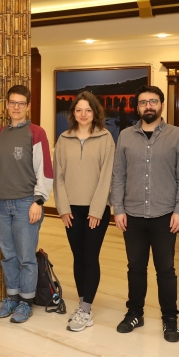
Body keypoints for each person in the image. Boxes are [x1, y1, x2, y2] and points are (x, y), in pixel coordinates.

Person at [111, 85, 179, 342]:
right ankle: (135, 313)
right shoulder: (125, 136)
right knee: (135, 267)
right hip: (132, 214)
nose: (148, 106)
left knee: (165, 269)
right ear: (137, 107)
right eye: (143, 102)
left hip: (165, 215)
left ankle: (170, 318)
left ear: (161, 105)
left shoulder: (178, 136)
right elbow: (118, 175)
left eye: (153, 101)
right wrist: (118, 209)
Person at [0, 84, 53, 324]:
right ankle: (12, 298)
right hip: (1, 204)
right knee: (8, 256)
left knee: (26, 257)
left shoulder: (36, 133)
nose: (16, 107)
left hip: (27, 203)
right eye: (12, 103)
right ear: (6, 105)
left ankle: (26, 302)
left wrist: (39, 201)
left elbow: (45, 170)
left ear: (28, 106)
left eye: (21, 103)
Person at [53, 92, 115, 333]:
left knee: (90, 257)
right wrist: (63, 208)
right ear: (73, 113)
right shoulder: (64, 138)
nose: (83, 114)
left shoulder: (105, 138)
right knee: (78, 257)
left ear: (95, 112)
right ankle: (82, 303)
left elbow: (107, 176)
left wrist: (97, 209)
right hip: (71, 211)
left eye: (88, 110)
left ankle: (86, 310)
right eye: (79, 110)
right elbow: (58, 177)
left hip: (95, 210)